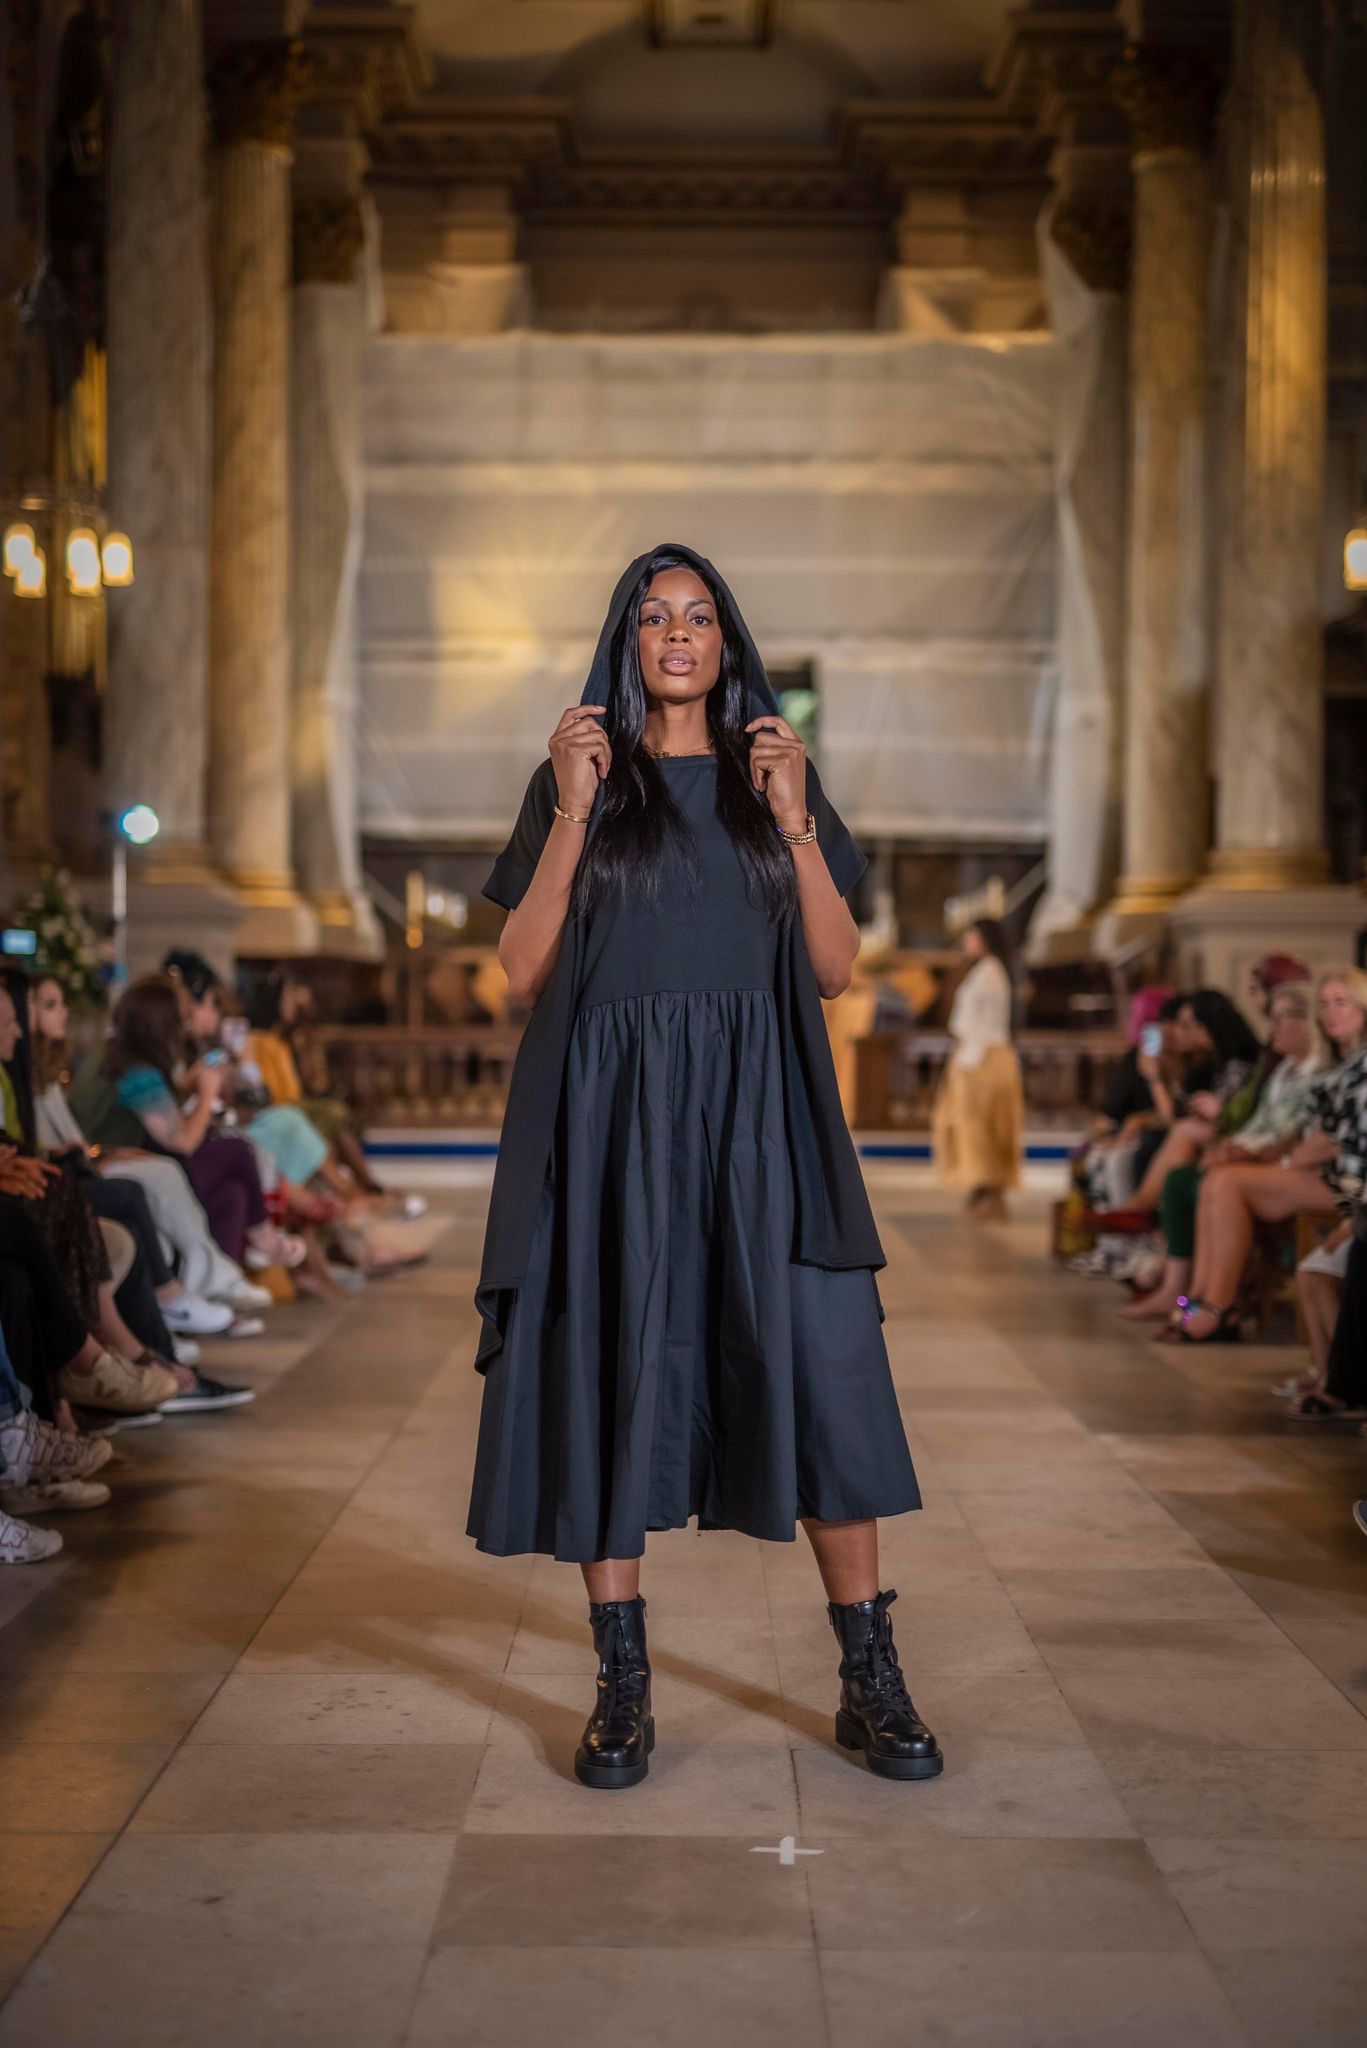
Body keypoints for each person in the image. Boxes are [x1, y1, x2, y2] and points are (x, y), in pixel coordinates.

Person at [467, 543, 939, 1791]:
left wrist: (792, 822)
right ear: (625, 641)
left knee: (826, 1375)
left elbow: (834, 969)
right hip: (610, 1116)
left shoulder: (771, 773)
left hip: (760, 1113)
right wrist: (571, 805)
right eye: (652, 617)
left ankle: (866, 1673)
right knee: (607, 1370)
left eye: (699, 616)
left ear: (726, 642)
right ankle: (622, 1686)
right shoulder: (575, 774)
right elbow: (517, 971)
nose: (677, 634)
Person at [1168, 967, 1367, 1345]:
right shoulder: (1332, 1063)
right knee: (1215, 1180)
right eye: (1323, 1005)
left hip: (1349, 1182)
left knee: (1226, 1181)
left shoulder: (1359, 1064)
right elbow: (1303, 1131)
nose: (1330, 1013)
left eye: (1341, 1003)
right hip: (1324, 1171)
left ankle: (1219, 1308)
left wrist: (1284, 1163)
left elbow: (1331, 1141)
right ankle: (1196, 1299)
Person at [1123, 981, 1325, 1324]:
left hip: (1290, 1167)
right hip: (1259, 1154)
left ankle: (1217, 1308)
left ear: (1307, 1023)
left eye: (1281, 1018)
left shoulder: (1313, 1073)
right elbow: (1260, 1123)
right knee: (1182, 1179)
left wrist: (1240, 1151)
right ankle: (1189, 1297)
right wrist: (1233, 1146)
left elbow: (1292, 1136)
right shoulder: (1282, 1072)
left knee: (1216, 1180)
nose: (1271, 1027)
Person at [931, 918, 1023, 1221]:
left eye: (971, 935)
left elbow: (985, 1025)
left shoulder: (991, 973)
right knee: (968, 1126)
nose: (967, 941)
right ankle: (979, 1188)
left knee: (980, 1126)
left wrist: (968, 1062)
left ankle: (988, 1188)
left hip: (982, 1060)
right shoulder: (983, 971)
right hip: (974, 1056)